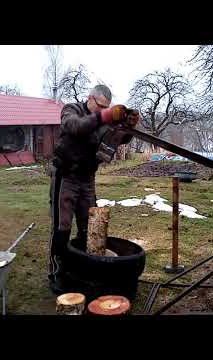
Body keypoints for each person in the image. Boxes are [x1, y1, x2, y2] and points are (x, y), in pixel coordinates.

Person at [48, 84, 140, 294]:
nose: (102, 110)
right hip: (66, 176)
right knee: (61, 227)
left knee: (90, 228)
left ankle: (82, 270)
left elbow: (118, 137)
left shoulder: (101, 118)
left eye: (106, 108)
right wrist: (105, 116)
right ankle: (56, 273)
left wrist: (129, 125)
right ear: (90, 98)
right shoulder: (71, 110)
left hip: (87, 178)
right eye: (100, 106)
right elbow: (76, 127)